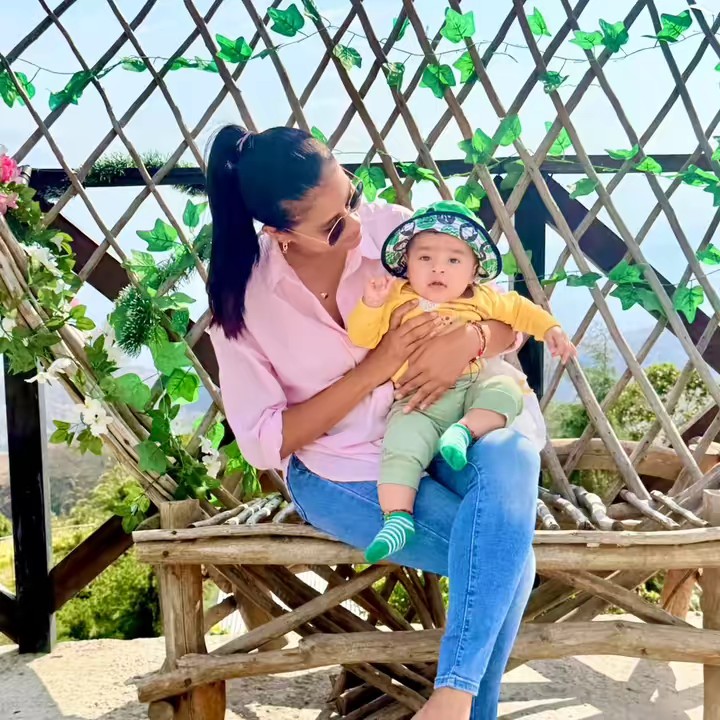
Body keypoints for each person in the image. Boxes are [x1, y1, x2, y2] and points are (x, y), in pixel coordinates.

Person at [207, 124, 542, 720]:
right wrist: (375, 368)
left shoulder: (400, 231)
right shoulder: (244, 302)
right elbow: (263, 442)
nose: (357, 226)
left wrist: (471, 338)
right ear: (279, 233)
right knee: (503, 554)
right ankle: (462, 703)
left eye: (353, 197)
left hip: (447, 430)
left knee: (512, 456)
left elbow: (507, 318)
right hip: (346, 470)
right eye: (334, 226)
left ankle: (451, 699)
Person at [347, 200, 575, 563]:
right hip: (419, 400)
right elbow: (362, 336)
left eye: (454, 260)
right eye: (425, 258)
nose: (438, 268)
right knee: (400, 444)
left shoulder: (483, 299)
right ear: (407, 263)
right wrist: (371, 304)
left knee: (506, 390)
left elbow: (521, 311)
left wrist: (551, 329)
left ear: (473, 271)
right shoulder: (397, 298)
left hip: (473, 385)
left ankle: (465, 431)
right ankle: (397, 518)